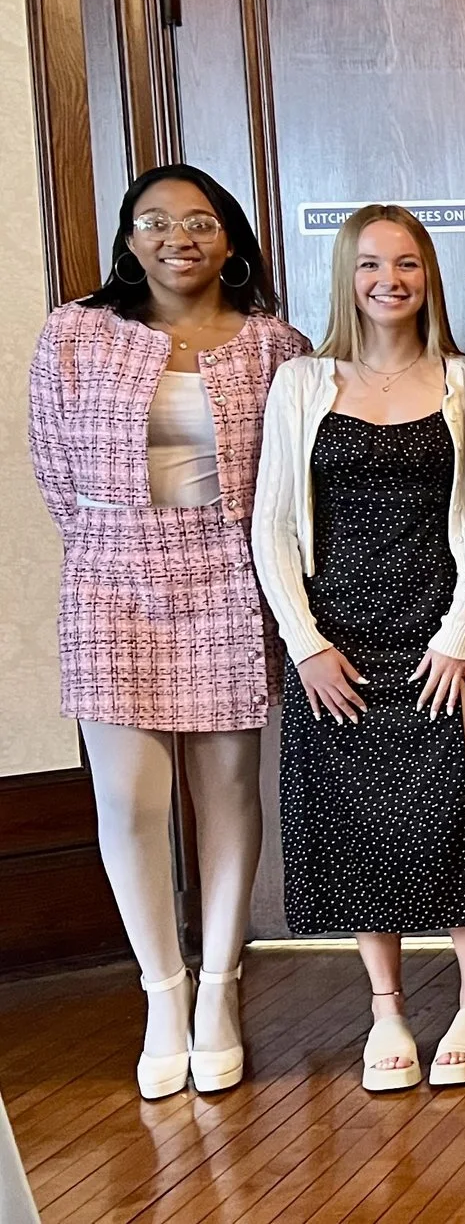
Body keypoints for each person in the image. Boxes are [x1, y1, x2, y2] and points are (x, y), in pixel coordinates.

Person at [27, 164, 309, 1099]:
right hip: (111, 576)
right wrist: (116, 546)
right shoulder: (74, 333)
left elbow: (293, 482)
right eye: (154, 222)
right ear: (128, 239)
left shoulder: (277, 346)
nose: (176, 237)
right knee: (131, 803)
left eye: (198, 222)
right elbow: (54, 469)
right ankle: (162, 989)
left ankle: (221, 986)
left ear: (229, 239)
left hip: (231, 576)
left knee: (226, 791)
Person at [253, 205, 465, 1092]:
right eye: (369, 264)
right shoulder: (302, 383)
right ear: (346, 276)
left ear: (428, 273)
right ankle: (387, 1007)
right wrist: (305, 642)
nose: (387, 279)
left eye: (405, 262)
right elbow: (271, 523)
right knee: (358, 818)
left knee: (457, 810)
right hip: (337, 640)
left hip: (438, 633)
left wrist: (458, 631)